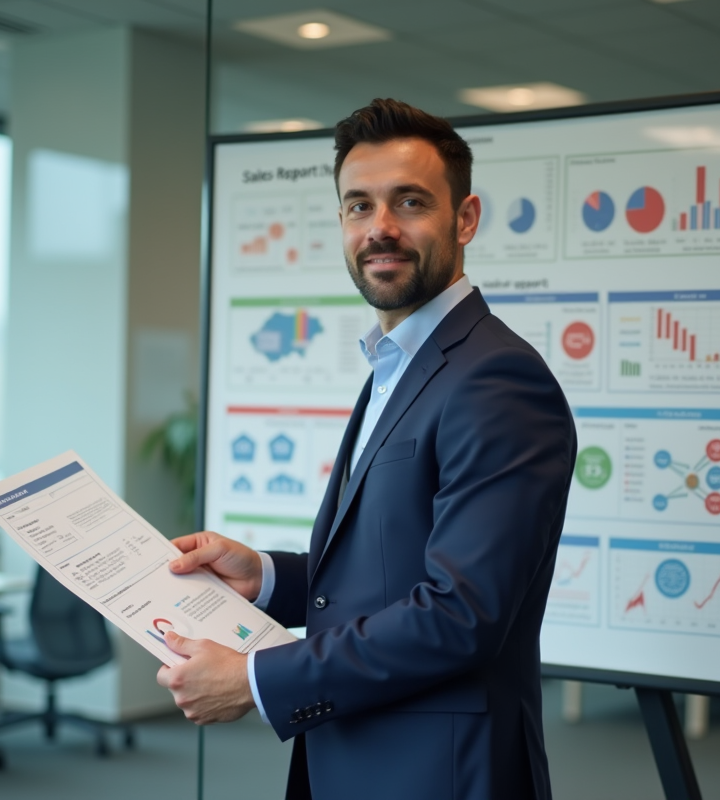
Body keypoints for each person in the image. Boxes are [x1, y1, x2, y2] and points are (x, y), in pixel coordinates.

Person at [156, 98, 577, 800]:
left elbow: (459, 614)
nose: (380, 229)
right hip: (362, 755)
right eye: (359, 206)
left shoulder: (497, 377)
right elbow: (388, 571)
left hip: (437, 772)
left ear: (464, 218)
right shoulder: (400, 361)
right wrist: (264, 577)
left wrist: (258, 680)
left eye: (409, 202)